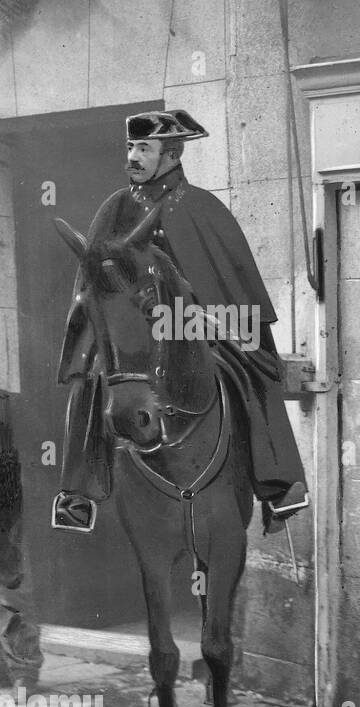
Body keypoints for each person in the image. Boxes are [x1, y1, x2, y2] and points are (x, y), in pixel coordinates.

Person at [52, 109, 308, 534]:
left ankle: (278, 485)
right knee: (92, 377)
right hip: (129, 331)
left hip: (190, 326)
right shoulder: (115, 208)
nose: (133, 156)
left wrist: (212, 318)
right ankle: (77, 492)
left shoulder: (203, 207)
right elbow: (95, 278)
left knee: (252, 366)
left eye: (144, 149)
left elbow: (235, 291)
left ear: (172, 154)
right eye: (131, 147)